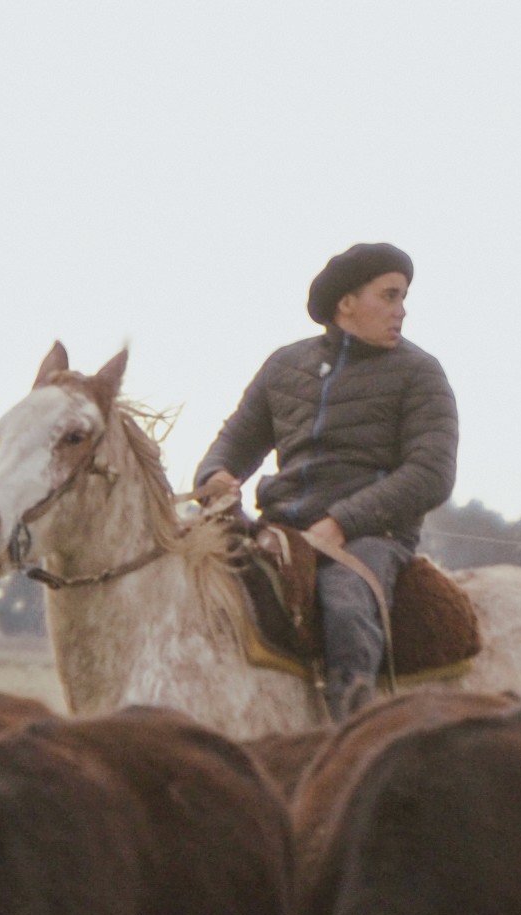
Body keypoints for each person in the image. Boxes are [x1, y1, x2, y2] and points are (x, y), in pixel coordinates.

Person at [191, 241, 454, 722]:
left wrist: (341, 522)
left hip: (371, 536)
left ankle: (350, 733)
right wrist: (216, 475)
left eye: (402, 297)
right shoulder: (283, 366)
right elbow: (235, 441)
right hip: (280, 527)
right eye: (389, 296)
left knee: (344, 608)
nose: (401, 310)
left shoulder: (420, 373)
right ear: (346, 303)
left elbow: (431, 474)